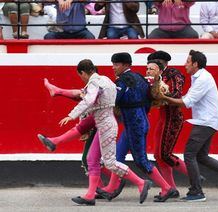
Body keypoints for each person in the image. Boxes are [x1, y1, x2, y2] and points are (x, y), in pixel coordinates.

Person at [38, 59, 151, 205]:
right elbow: (86, 96)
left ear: (83, 73)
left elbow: (88, 100)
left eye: (81, 76)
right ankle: (90, 195)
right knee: (92, 159)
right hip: (106, 123)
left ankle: (141, 182)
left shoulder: (94, 83)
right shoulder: (106, 80)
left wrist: (72, 115)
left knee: (110, 162)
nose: (82, 79)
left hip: (106, 126)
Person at [160, 50, 218, 201]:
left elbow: (187, 102)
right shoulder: (199, 77)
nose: (184, 65)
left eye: (187, 62)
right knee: (201, 156)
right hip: (207, 121)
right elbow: (188, 98)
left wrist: (162, 97)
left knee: (189, 154)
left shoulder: (202, 79)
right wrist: (167, 98)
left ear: (195, 64)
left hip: (205, 122)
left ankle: (196, 192)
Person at [96, 53, 176, 202]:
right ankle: (112, 187)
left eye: (117, 64)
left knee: (141, 160)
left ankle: (167, 188)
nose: (113, 67)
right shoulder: (139, 77)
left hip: (134, 126)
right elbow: (148, 99)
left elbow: (113, 101)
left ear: (126, 65)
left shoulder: (123, 81)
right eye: (113, 64)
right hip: (139, 122)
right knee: (117, 157)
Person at [146, 51, 187, 198]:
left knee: (164, 154)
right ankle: (171, 188)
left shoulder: (175, 74)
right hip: (163, 118)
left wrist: (161, 95)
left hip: (173, 117)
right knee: (158, 155)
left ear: (164, 63)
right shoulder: (155, 77)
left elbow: (177, 94)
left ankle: (195, 176)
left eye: (157, 63)